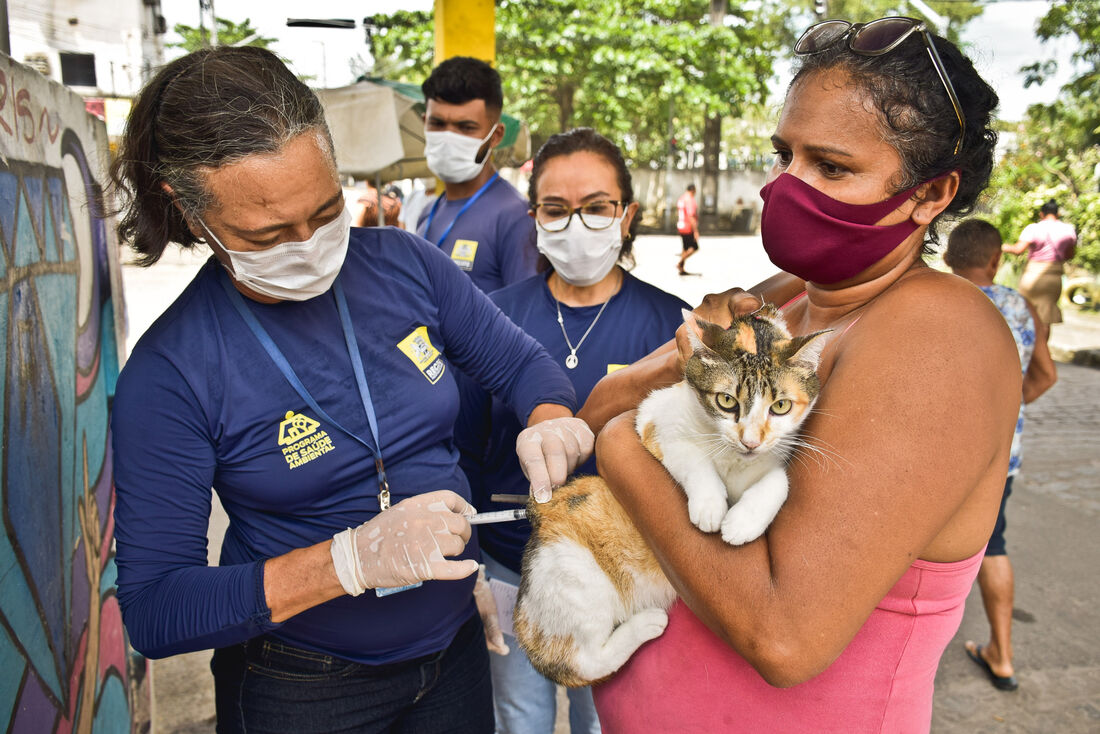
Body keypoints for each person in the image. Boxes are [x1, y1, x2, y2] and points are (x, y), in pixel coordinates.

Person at [525, 17, 1019, 731]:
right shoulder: (789, 294)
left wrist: (626, 449)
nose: (786, 187)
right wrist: (680, 362)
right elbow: (594, 408)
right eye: (784, 155)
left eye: (832, 166)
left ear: (931, 194)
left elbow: (784, 636)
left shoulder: (938, 331)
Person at [108, 46, 593, 733]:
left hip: (453, 652)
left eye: (327, 208)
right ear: (190, 215)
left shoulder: (406, 265)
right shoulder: (173, 372)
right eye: (269, 232)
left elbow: (521, 364)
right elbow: (158, 610)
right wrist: (347, 562)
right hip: (303, 683)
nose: (309, 243)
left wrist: (548, 417)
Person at [456, 128, 690, 734]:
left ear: (627, 214)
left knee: (607, 717)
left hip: (620, 568)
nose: (576, 224)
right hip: (511, 565)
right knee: (517, 715)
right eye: (556, 210)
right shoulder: (494, 319)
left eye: (597, 207)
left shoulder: (672, 326)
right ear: (535, 218)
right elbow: (462, 448)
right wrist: (472, 567)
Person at [944, 218, 1057, 692]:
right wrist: (1006, 408)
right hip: (999, 459)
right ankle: (1002, 654)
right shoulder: (1022, 306)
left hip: (937, 457)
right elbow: (1046, 375)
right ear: (995, 261)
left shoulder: (936, 301)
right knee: (994, 545)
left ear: (949, 259)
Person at [417, 56, 537, 293]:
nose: (449, 137)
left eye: (466, 127)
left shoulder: (516, 217)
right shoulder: (427, 212)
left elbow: (526, 315)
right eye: (437, 124)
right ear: (424, 122)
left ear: (496, 135)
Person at [1003, 199, 1077, 332]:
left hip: (1032, 277)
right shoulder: (1068, 230)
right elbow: (1070, 255)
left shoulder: (1033, 228)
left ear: (1042, 214)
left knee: (1025, 315)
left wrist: (999, 246)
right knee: (1045, 319)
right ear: (1058, 213)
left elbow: (1018, 249)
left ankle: (1025, 349)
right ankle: (1042, 351)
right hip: (1053, 277)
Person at [676, 183, 700, 275]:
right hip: (687, 226)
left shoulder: (681, 199)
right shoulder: (690, 200)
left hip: (680, 224)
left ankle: (682, 268)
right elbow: (691, 216)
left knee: (685, 247)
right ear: (693, 190)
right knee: (694, 247)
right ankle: (680, 262)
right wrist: (695, 231)